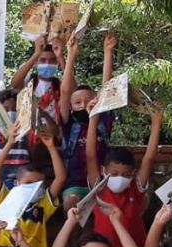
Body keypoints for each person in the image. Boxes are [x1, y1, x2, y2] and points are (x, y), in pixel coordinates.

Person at [86, 99, 164, 247]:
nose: (119, 177)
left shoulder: (135, 188)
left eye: (125, 174)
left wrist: (156, 122)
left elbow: (149, 159)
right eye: (113, 173)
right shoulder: (99, 186)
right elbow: (90, 154)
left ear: (132, 175)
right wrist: (93, 119)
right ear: (104, 170)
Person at [60, 33, 118, 211]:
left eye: (87, 101)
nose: (83, 105)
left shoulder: (103, 120)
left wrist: (107, 52)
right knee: (71, 202)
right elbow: (64, 91)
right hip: (75, 183)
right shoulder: (69, 122)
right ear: (71, 106)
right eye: (77, 103)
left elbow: (106, 88)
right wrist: (71, 54)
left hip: (101, 182)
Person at [10, 35, 70, 126]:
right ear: (35, 63)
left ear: (57, 63)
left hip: (52, 132)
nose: (47, 64)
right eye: (42, 60)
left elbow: (73, 89)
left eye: (52, 61)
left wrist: (61, 58)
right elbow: (14, 83)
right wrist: (36, 54)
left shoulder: (59, 84)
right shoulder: (29, 80)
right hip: (29, 132)